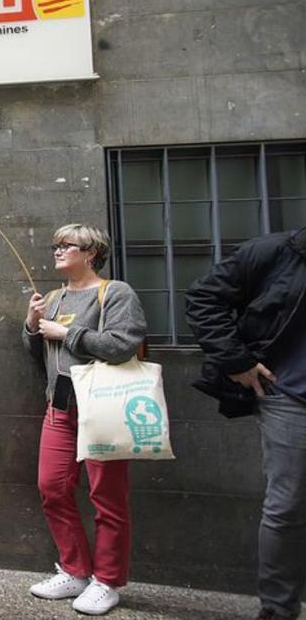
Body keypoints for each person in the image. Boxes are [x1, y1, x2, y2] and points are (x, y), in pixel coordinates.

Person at [23, 224, 146, 616]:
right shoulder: (56, 296)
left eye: (66, 245)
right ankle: (75, 570)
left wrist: (68, 332)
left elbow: (123, 344)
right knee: (52, 487)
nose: (57, 250)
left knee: (107, 497)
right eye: (56, 244)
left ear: (91, 252)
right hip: (59, 406)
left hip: (103, 407)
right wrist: (32, 324)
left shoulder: (116, 293)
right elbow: (38, 353)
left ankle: (107, 581)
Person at [184, 226, 306, 620]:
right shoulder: (276, 252)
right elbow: (204, 297)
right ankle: (278, 610)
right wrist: (235, 361)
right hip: (290, 395)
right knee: (287, 506)